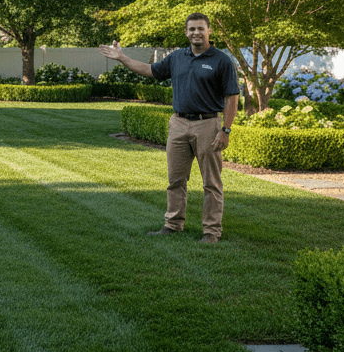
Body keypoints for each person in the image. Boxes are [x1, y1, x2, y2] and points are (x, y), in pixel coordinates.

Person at [99, 13, 239, 243]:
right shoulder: (177, 57)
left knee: (211, 182)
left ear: (209, 31)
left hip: (208, 124)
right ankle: (173, 224)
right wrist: (122, 57)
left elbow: (232, 97)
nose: (196, 33)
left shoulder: (221, 60)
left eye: (201, 29)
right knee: (175, 179)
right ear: (186, 32)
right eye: (192, 29)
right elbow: (149, 70)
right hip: (178, 123)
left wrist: (225, 129)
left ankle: (211, 232)